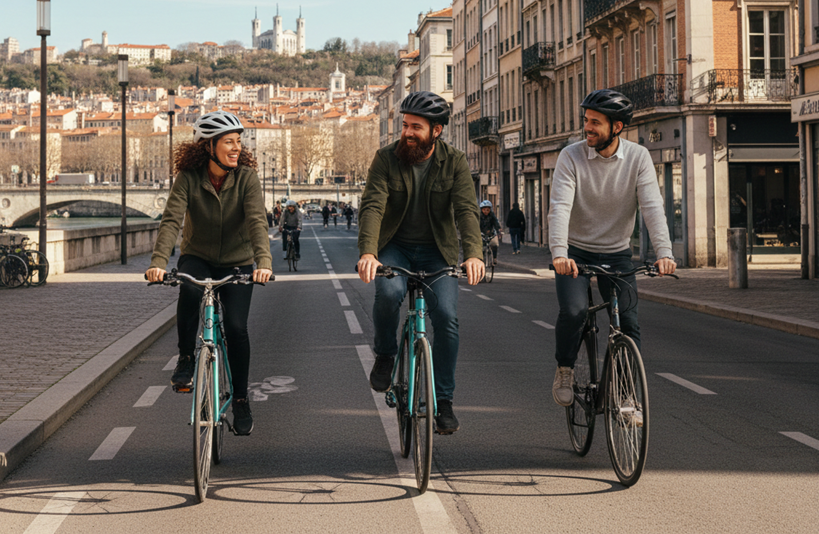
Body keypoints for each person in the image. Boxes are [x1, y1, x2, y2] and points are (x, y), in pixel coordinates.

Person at [357, 91, 485, 434]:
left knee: (446, 316)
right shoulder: (386, 159)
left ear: (437, 131)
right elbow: (372, 206)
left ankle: (444, 402)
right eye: (405, 125)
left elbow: (466, 210)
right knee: (388, 293)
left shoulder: (455, 161)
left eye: (416, 127)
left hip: (436, 250)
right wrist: (368, 252)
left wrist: (474, 253)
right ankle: (385, 355)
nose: (407, 133)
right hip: (395, 247)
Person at [145, 110, 273, 436]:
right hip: (197, 256)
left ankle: (241, 399)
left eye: (238, 142)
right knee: (188, 288)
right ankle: (187, 358)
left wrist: (264, 263)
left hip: (237, 260)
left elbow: (257, 220)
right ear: (209, 146)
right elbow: (172, 219)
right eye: (229, 142)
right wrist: (158, 262)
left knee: (235, 327)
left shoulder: (246, 177)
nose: (236, 148)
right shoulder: (188, 177)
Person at [548, 89, 676, 408]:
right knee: (575, 311)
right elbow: (560, 207)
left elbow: (652, 207)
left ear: (616, 127)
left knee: (628, 324)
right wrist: (559, 253)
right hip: (574, 253)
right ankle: (564, 368)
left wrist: (665, 253)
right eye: (586, 121)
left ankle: (625, 395)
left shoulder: (637, 157)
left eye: (595, 122)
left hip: (617, 254)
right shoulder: (571, 156)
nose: (587, 128)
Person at [479, 200, 500, 266]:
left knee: (494, 244)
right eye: (484, 210)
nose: (486, 211)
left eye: (487, 210)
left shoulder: (492, 216)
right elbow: (476, 224)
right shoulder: (479, 216)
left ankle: (494, 258)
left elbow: (496, 223)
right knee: (480, 246)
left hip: (491, 233)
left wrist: (498, 230)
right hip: (481, 233)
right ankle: (480, 259)